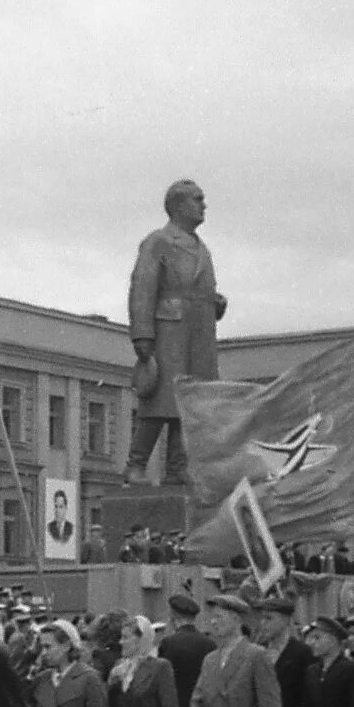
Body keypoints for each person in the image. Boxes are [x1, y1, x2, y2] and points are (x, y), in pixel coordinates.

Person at [123, 179, 225, 485]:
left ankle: (177, 468)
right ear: (179, 205)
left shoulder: (201, 248)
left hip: (198, 336)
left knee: (188, 405)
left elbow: (194, 288)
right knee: (159, 404)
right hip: (169, 333)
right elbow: (142, 288)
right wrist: (143, 335)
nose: (203, 205)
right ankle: (135, 465)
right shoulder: (158, 242)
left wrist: (214, 303)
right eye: (197, 199)